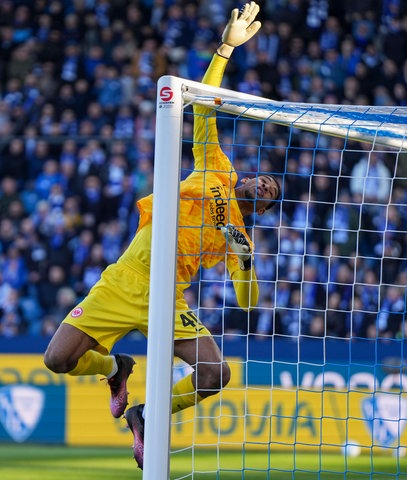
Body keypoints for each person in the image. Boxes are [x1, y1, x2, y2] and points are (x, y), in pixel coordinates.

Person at [44, 2, 280, 470]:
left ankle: (148, 415)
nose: (264, 184)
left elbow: (249, 300)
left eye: (271, 192)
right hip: (126, 279)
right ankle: (117, 368)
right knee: (58, 360)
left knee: (216, 373)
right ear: (249, 177)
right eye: (264, 178)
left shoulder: (240, 239)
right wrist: (225, 49)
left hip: (168, 298)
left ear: (264, 209)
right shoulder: (217, 170)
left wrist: (244, 257)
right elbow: (205, 109)